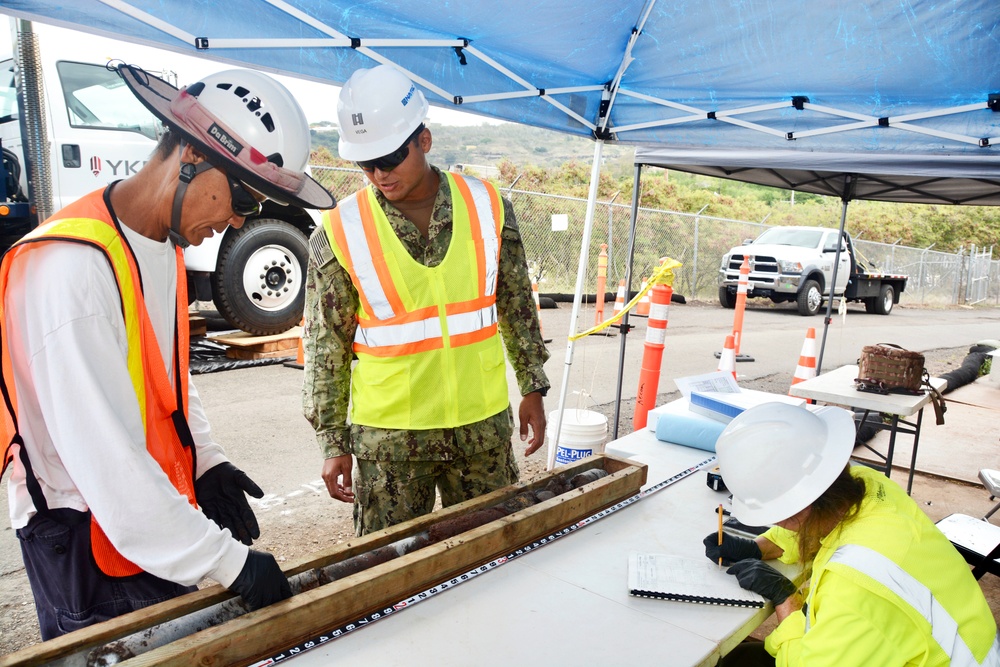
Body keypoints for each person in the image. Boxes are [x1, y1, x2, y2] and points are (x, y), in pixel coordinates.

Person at [0, 64, 335, 639]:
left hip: (150, 524)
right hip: (88, 538)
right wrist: (230, 564)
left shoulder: (158, 246)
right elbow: (107, 462)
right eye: (243, 201)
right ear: (189, 156)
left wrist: (206, 460)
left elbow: (167, 375)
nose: (236, 221)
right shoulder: (73, 270)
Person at [303, 65, 550, 536]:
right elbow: (324, 348)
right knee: (390, 580)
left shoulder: (488, 206)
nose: (378, 173)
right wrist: (332, 441)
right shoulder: (339, 231)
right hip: (389, 443)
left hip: (481, 430)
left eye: (390, 157)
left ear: (425, 140)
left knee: (491, 560)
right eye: (365, 163)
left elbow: (516, 306)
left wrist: (532, 386)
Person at [702, 402, 999, 667]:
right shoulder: (867, 485)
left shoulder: (856, 586)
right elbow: (818, 524)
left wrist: (786, 600)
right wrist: (758, 548)